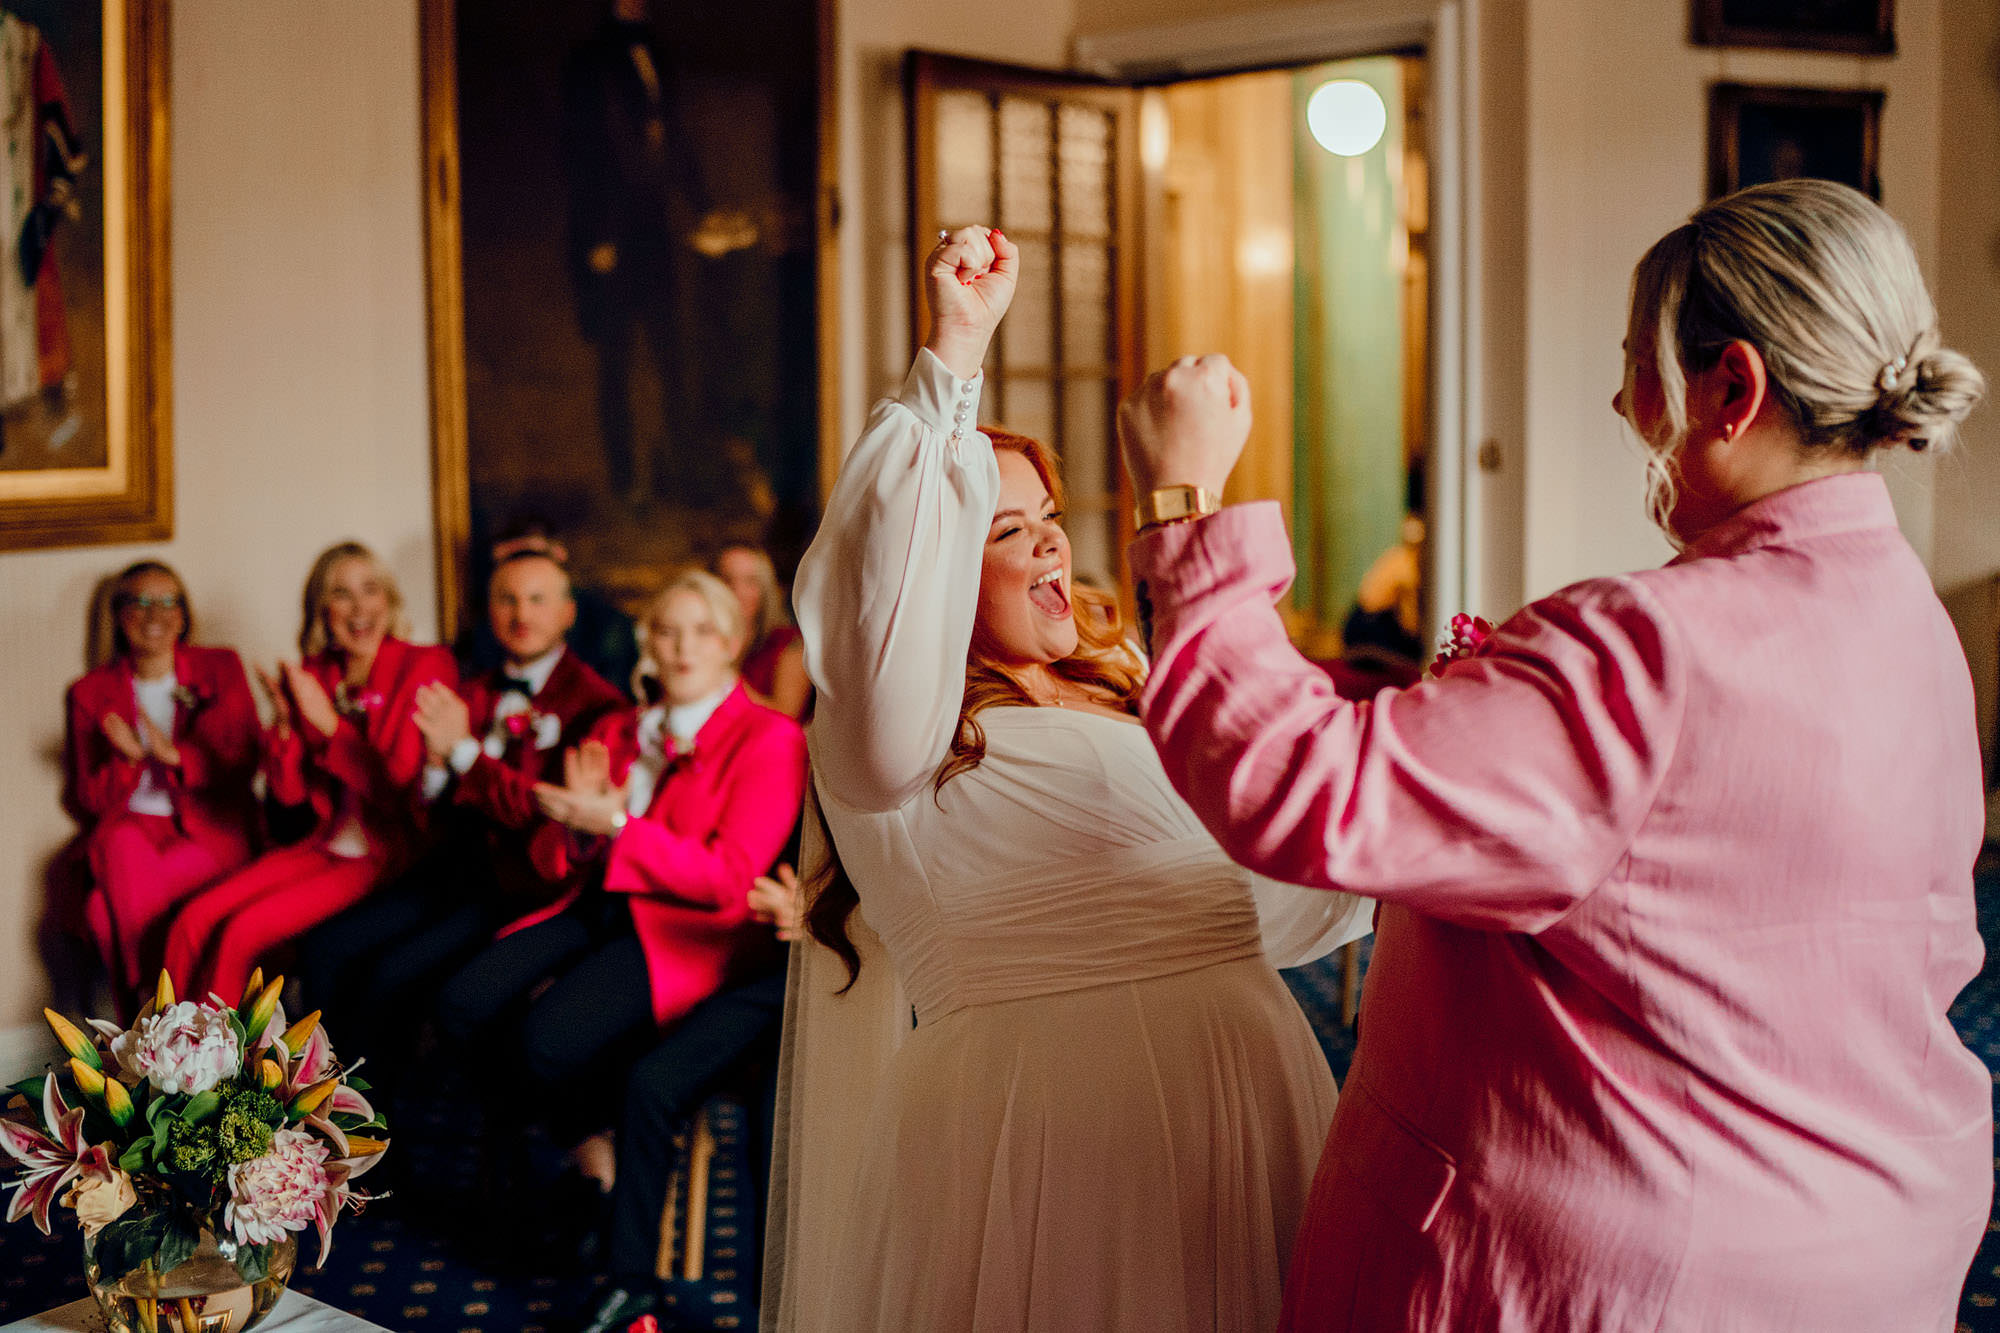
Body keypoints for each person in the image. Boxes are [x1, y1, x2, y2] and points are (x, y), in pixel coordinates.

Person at [1117, 178, 1990, 1331]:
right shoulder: (1912, 621)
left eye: (1637, 364)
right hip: (1868, 1237)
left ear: (1729, 386)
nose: (1621, 400)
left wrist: (1186, 502)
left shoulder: (1654, 645)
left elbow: (1296, 787)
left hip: (1626, 1263)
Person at [762, 228, 1371, 1333]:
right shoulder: (887, 742)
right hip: (1041, 1146)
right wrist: (954, 353)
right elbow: (886, 571)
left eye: (1050, 521)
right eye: (1004, 532)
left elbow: (1271, 836)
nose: (1051, 550)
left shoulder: (1131, 676)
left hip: (1250, 1088)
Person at [434, 567, 806, 1095]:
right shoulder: (620, 729)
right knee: (461, 1004)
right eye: (668, 631)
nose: (684, 648)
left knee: (542, 1042)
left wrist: (614, 824)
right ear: (649, 641)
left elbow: (726, 878)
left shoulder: (769, 738)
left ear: (732, 643)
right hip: (596, 905)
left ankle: (578, 1143)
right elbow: (558, 855)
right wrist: (582, 832)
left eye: (703, 632)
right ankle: (531, 1150)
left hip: (682, 929)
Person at [298, 546, 626, 1049]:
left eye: (537, 600)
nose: (521, 615)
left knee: (391, 978)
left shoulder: (598, 705)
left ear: (567, 613)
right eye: (507, 600)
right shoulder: (469, 691)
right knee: (324, 950)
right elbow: (428, 808)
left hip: (525, 887)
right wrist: (434, 771)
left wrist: (463, 752)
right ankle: (319, 1105)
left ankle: (380, 1116)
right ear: (489, 611)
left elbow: (541, 813)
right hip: (452, 869)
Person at [163, 542, 456, 1002]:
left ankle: (212, 1069)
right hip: (324, 842)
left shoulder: (424, 665)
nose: (359, 607)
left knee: (242, 932)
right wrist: (284, 728)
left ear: (389, 601)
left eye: (370, 590)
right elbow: (290, 797)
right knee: (192, 919)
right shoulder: (318, 672)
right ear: (323, 610)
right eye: (342, 593)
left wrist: (328, 726)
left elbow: (403, 795)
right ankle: (160, 1058)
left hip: (387, 853)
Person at [574, 863, 801, 1333]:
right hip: (778, 970)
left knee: (776, 1116)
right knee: (651, 1082)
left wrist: (826, 921)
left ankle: (784, 1301)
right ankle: (631, 1281)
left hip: (853, 974)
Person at [60, 561, 260, 1008]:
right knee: (117, 843)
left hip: (210, 829)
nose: (155, 615)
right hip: (132, 828)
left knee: (99, 912)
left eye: (169, 601)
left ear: (184, 616)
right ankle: (169, 1013)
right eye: (140, 602)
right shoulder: (90, 692)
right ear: (118, 615)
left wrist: (177, 757)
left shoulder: (220, 667)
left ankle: (149, 1016)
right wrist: (128, 760)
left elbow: (245, 761)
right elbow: (87, 800)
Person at [712, 542, 809, 718]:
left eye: (750, 582)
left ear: (765, 589)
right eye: (727, 580)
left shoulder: (789, 645)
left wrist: (722, 678)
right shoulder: (704, 640)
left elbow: (785, 716)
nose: (737, 591)